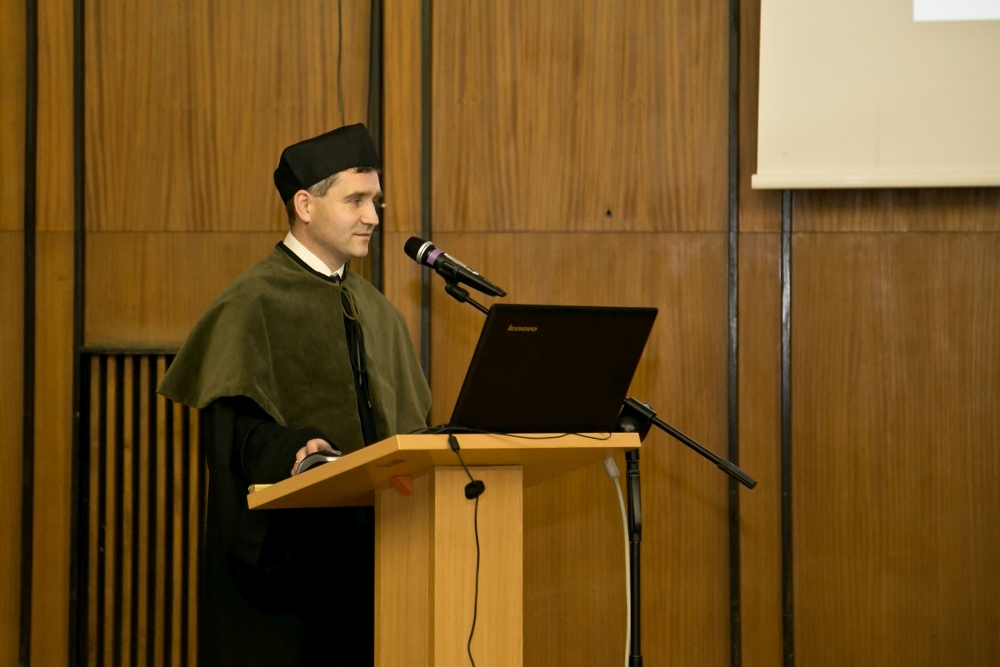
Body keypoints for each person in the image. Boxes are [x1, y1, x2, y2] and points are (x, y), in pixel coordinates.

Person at [157, 124, 431, 666]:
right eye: (355, 200)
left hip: (378, 566)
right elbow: (233, 435)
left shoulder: (379, 312)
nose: (373, 217)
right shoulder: (249, 303)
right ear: (305, 205)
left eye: (376, 201)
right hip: (289, 578)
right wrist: (294, 449)